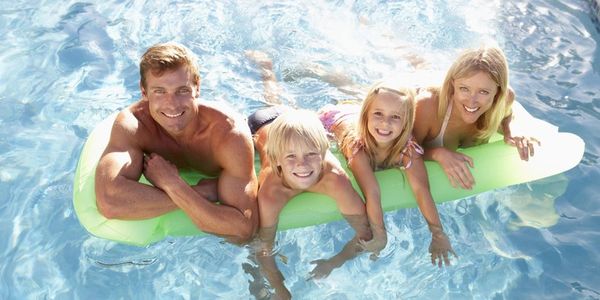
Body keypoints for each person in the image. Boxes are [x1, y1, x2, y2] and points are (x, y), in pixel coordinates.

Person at [94, 42, 258, 244]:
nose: (171, 104)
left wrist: (172, 183)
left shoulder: (228, 133)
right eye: (159, 91)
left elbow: (243, 230)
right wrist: (201, 192)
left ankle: (265, 74)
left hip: (257, 128)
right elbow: (109, 203)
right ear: (144, 92)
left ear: (197, 87)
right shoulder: (134, 125)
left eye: (182, 90)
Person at [318, 82, 456, 266]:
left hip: (358, 111)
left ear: (406, 122)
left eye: (395, 117)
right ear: (366, 115)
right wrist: (380, 236)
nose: (385, 123)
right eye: (378, 114)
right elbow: (372, 192)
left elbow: (422, 190)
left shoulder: (408, 148)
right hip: (332, 119)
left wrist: (438, 233)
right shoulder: (357, 147)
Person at [249, 107, 373, 298]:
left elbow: (365, 232)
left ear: (323, 152)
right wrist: (280, 288)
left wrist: (334, 262)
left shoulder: (334, 179)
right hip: (262, 123)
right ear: (278, 160)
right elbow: (263, 247)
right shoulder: (272, 192)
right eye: (291, 156)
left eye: (311, 154)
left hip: (295, 117)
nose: (302, 164)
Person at [413, 44, 540, 190]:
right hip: (421, 86)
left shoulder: (505, 98)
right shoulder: (427, 106)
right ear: (453, 84)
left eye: (484, 92)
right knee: (420, 65)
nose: (472, 101)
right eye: (464, 89)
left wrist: (510, 130)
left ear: (498, 92)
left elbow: (507, 115)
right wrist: (437, 154)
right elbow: (401, 151)